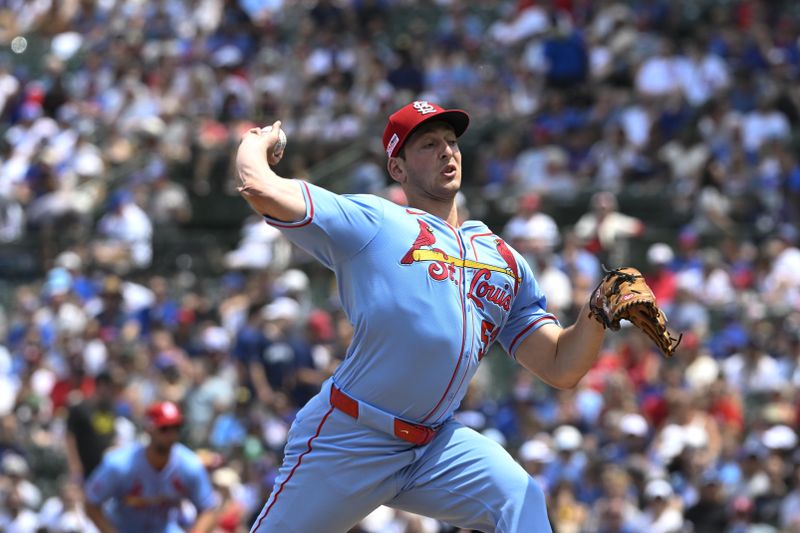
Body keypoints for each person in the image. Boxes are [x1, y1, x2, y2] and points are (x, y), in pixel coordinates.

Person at [236, 100, 608, 532]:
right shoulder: (374, 221)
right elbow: (259, 186)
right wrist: (254, 143)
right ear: (398, 169)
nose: (447, 151)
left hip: (435, 445)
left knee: (520, 500)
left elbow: (561, 366)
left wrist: (596, 312)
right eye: (429, 145)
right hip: (352, 436)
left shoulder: (502, 257)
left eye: (452, 142)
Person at [83, 401, 217, 533]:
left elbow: (208, 508)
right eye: (164, 429)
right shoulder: (120, 464)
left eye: (176, 428)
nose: (171, 435)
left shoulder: (189, 465)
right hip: (123, 528)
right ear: (149, 429)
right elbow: (91, 503)